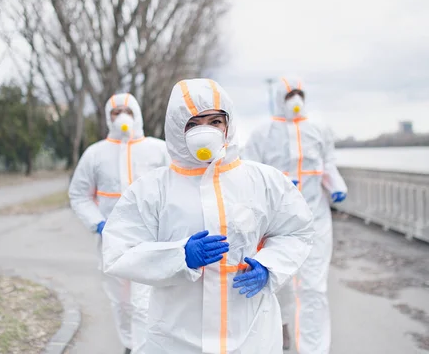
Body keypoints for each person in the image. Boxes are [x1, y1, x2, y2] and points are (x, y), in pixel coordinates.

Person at [102, 78, 314, 354]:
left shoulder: (262, 180)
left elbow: (296, 230)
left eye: (215, 122)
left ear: (228, 125)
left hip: (251, 333)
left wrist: (269, 266)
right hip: (177, 337)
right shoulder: (151, 189)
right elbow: (118, 252)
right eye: (194, 124)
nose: (206, 132)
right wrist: (179, 256)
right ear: (178, 129)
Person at [243, 77, 348, 354]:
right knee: (281, 286)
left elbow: (328, 164)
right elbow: (247, 173)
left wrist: (336, 185)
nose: (295, 99)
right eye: (290, 94)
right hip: (276, 224)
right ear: (280, 97)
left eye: (299, 93)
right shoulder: (262, 133)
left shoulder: (319, 129)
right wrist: (274, 186)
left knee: (314, 288)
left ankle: (313, 348)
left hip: (316, 220)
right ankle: (282, 329)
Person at [68, 93, 169, 354]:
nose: (122, 116)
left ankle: (144, 348)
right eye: (116, 112)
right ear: (108, 118)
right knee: (121, 301)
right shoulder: (95, 154)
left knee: (144, 301)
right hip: (112, 242)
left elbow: (179, 187)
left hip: (151, 239)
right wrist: (98, 223)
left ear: (137, 114)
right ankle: (129, 343)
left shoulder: (159, 149)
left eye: (127, 110)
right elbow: (79, 194)